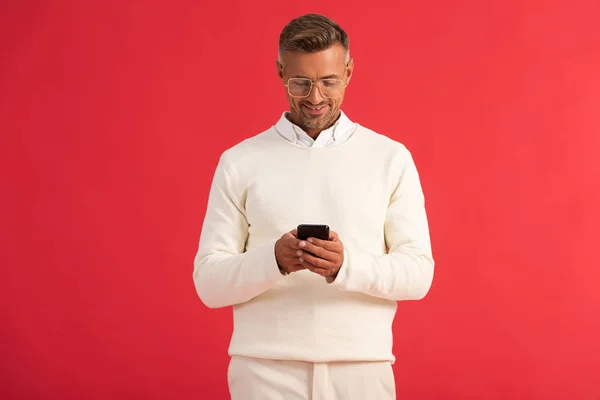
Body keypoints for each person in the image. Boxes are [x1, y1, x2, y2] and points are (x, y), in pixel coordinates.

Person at [193, 13, 434, 400]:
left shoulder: (390, 158)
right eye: (300, 83)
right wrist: (274, 260)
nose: (315, 97)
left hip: (361, 371)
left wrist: (345, 266)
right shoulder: (239, 161)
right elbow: (208, 282)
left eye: (328, 81)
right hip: (263, 373)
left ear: (350, 71)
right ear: (279, 71)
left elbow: (419, 274)